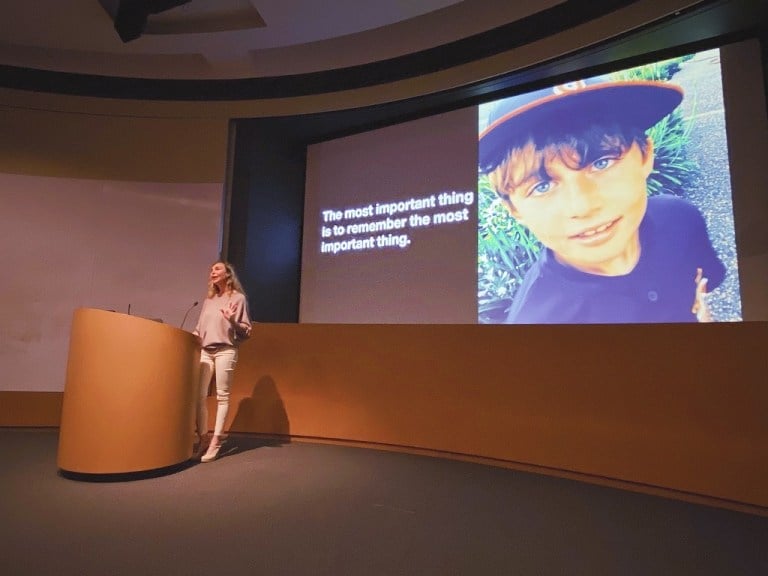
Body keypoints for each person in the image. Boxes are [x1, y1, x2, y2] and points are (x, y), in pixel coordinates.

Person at [478, 76, 726, 324]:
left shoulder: (681, 219)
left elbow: (701, 290)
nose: (583, 206)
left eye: (601, 162)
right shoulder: (535, 333)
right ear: (513, 208)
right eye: (542, 186)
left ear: (645, 156)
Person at [192, 260, 252, 462]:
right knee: (198, 396)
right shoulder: (209, 301)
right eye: (211, 269)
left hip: (226, 350)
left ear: (228, 274)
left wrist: (232, 320)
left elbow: (246, 331)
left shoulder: (238, 298)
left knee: (222, 396)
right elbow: (199, 329)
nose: (212, 272)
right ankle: (203, 438)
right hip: (205, 352)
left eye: (217, 269)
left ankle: (216, 441)